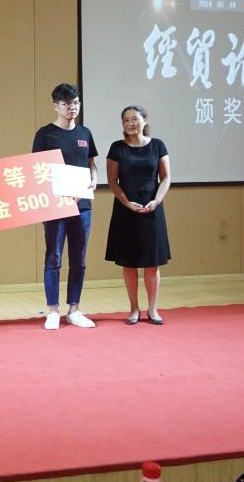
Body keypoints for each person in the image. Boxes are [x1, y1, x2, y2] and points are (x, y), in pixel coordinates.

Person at [31, 83, 98, 329]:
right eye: (67, 103)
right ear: (56, 106)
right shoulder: (45, 134)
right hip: (55, 206)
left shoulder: (85, 133)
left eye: (76, 103)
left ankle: (74, 310)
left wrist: (94, 179)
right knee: (54, 256)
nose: (72, 107)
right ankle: (53, 311)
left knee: (79, 258)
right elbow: (36, 171)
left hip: (83, 206)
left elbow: (91, 163)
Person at [104, 105, 171, 325]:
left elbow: (166, 178)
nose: (130, 123)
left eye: (134, 119)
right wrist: (127, 203)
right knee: (129, 262)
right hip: (126, 209)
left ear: (145, 120)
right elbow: (112, 182)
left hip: (152, 207)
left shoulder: (158, 145)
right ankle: (134, 308)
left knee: (152, 262)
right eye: (126, 120)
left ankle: (153, 309)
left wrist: (156, 201)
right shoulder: (117, 148)